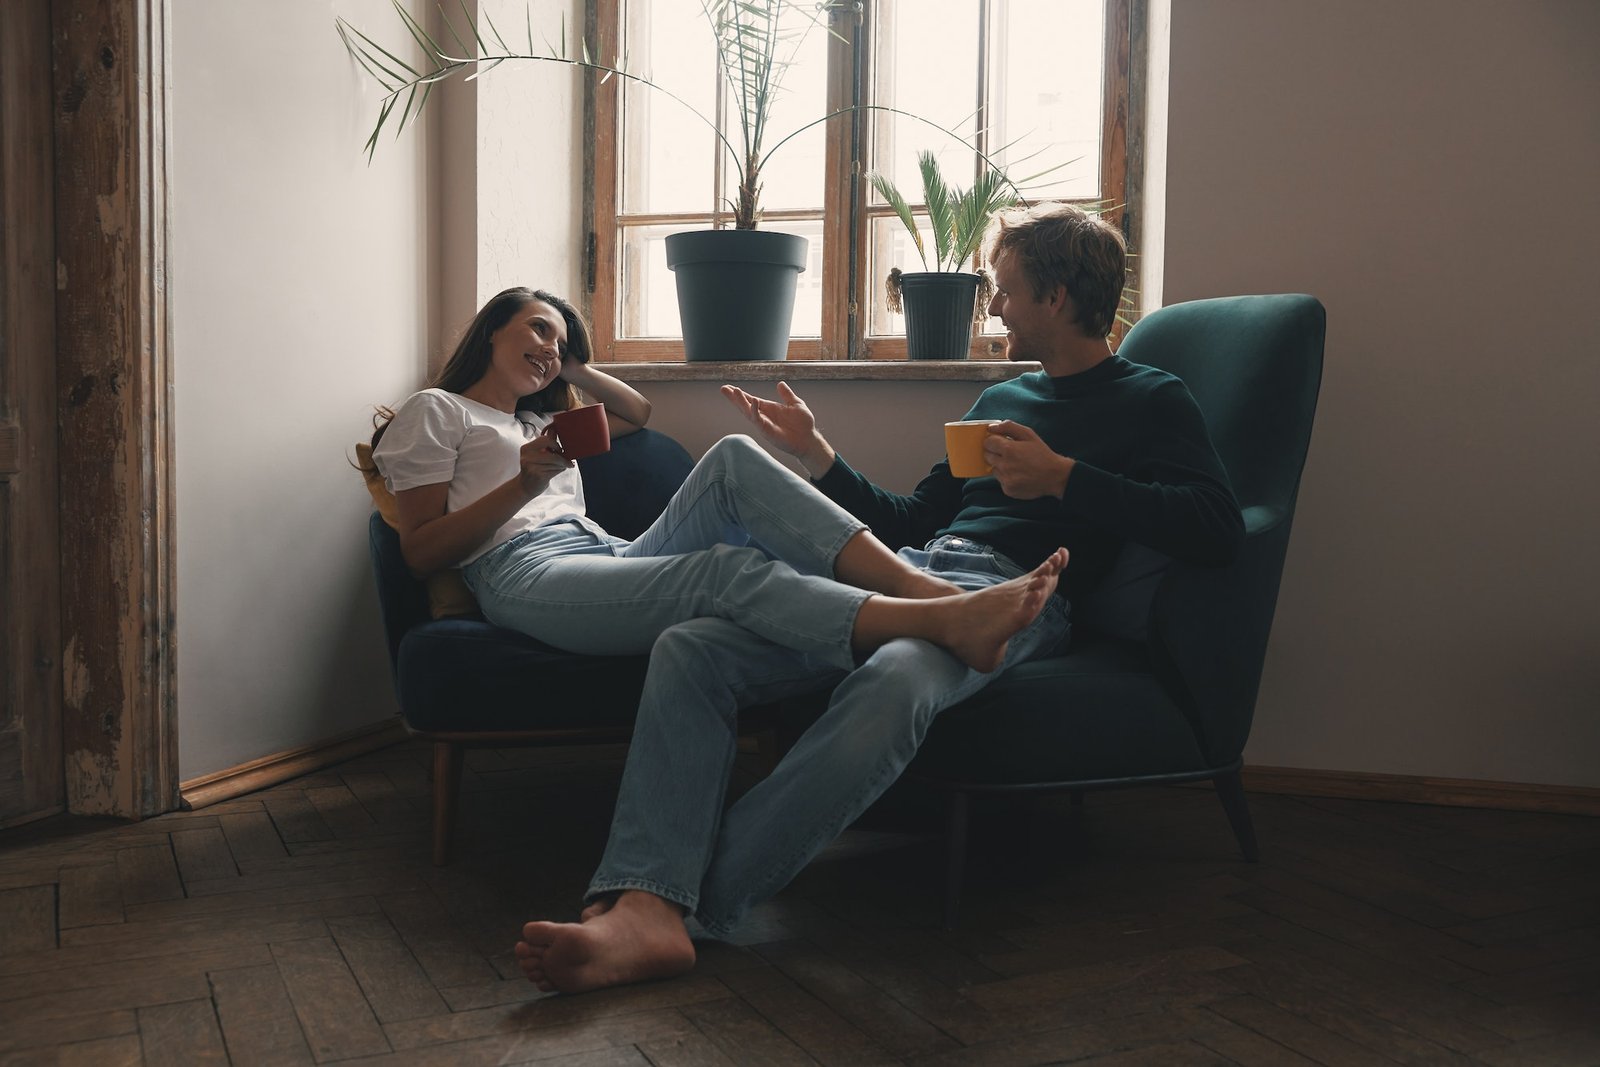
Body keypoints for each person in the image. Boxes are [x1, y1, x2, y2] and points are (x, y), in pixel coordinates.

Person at [514, 204, 1244, 995]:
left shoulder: (1152, 398)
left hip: (1019, 597)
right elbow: (907, 519)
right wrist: (816, 453)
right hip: (915, 569)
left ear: (1058, 297)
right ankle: (652, 899)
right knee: (692, 646)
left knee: (898, 673)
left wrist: (1066, 478)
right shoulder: (1004, 397)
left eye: (1004, 290)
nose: (995, 307)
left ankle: (677, 909)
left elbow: (1216, 525)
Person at [367, 285, 1067, 711]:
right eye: (537, 329)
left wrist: (570, 362)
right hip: (523, 572)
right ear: (492, 328)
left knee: (732, 456)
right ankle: (936, 618)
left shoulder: (540, 424)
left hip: (602, 550)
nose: (550, 345)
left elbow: (637, 410)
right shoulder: (439, 409)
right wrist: (524, 481)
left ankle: (921, 589)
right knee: (728, 571)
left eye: (559, 336)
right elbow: (422, 550)